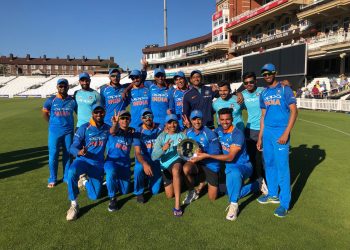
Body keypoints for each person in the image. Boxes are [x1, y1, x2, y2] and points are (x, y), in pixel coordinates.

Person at [191, 108, 260, 221]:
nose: (225, 122)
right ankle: (257, 184)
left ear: (232, 119)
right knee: (229, 191)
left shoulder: (237, 134)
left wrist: (207, 155)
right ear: (218, 119)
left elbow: (230, 157)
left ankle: (234, 206)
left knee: (234, 173)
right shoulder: (218, 131)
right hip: (227, 167)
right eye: (222, 119)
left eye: (227, 119)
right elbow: (205, 134)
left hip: (242, 166)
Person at [257, 63, 298, 218]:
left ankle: (285, 203)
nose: (267, 76)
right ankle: (272, 194)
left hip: (281, 131)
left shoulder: (285, 89)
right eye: (264, 73)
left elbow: (294, 111)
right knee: (269, 164)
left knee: (282, 167)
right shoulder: (264, 93)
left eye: (269, 73)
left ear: (275, 73)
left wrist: (286, 133)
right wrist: (260, 136)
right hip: (267, 132)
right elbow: (263, 115)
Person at [66, 104, 110, 221]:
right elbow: (72, 147)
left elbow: (118, 134)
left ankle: (84, 181)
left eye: (101, 112)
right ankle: (74, 205)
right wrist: (79, 152)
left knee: (94, 196)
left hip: (97, 164)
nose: (99, 114)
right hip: (83, 160)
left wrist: (130, 130)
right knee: (71, 172)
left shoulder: (107, 128)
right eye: (96, 112)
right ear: (92, 114)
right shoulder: (84, 128)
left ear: (104, 113)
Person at [104, 110, 145, 211]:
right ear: (119, 120)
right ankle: (112, 198)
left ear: (130, 120)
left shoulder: (132, 133)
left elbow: (137, 149)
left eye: (127, 118)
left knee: (125, 190)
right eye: (122, 118)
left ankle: (112, 180)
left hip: (125, 165)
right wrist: (114, 123)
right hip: (111, 162)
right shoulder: (115, 130)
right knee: (111, 171)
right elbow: (113, 131)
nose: (124, 120)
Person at [42, 78, 77, 188]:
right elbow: (44, 113)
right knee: (53, 155)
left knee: (68, 154)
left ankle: (66, 176)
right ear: (57, 87)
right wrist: (51, 124)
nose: (62, 88)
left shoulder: (72, 101)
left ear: (68, 87)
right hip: (54, 132)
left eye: (64, 86)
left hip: (68, 132)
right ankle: (52, 178)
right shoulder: (51, 100)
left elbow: (78, 113)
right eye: (60, 86)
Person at [182, 110, 221, 203]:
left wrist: (202, 152)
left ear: (202, 120)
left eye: (198, 119)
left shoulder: (210, 134)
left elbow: (216, 154)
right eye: (194, 119)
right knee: (185, 168)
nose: (196, 122)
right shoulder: (188, 132)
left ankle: (206, 180)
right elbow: (184, 145)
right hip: (196, 162)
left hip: (210, 164)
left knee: (212, 197)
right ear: (191, 120)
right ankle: (192, 191)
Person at [152, 114, 186, 216]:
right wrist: (163, 149)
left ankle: (177, 205)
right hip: (165, 166)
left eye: (175, 122)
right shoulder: (161, 137)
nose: (172, 125)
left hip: (176, 162)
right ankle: (180, 180)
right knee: (169, 194)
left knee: (176, 170)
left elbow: (188, 150)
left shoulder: (182, 136)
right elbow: (153, 157)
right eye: (170, 122)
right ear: (166, 124)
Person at [241, 72, 267, 189]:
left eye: (251, 82)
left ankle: (265, 180)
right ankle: (254, 179)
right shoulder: (242, 95)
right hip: (250, 130)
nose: (249, 84)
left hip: (264, 129)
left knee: (263, 158)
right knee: (251, 157)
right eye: (246, 83)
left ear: (256, 81)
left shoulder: (263, 91)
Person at [133, 108, 163, 203]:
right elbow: (137, 152)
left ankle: (149, 178)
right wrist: (144, 164)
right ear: (141, 119)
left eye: (149, 116)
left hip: (156, 160)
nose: (147, 118)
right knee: (138, 168)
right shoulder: (138, 131)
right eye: (145, 117)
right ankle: (139, 192)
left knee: (155, 191)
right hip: (144, 159)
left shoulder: (160, 127)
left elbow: (172, 128)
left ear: (153, 117)